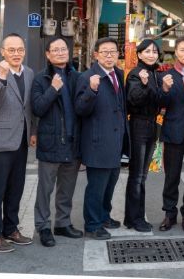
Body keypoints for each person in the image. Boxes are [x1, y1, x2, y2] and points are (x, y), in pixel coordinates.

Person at [0, 34, 35, 253]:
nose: (16, 54)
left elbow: (28, 107)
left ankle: (11, 229)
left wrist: (32, 132)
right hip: (0, 141)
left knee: (16, 188)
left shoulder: (29, 73)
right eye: (11, 50)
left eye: (20, 49)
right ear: (2, 52)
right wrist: (2, 78)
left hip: (21, 140)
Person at [31, 37, 83, 247]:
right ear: (48, 54)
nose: (61, 52)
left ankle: (63, 223)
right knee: (45, 189)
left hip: (72, 141)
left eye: (63, 49)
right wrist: (53, 89)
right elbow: (37, 108)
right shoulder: (40, 79)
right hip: (50, 142)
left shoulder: (78, 77)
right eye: (56, 50)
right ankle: (43, 226)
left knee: (67, 188)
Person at [74, 37, 127, 240]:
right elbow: (80, 109)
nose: (109, 55)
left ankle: (104, 216)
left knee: (110, 183)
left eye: (113, 51)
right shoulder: (87, 77)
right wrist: (92, 90)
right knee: (96, 187)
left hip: (116, 140)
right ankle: (92, 224)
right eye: (104, 52)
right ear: (96, 54)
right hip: (97, 141)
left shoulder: (118, 74)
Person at [125, 38, 167, 233]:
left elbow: (159, 100)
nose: (151, 55)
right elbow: (133, 100)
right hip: (139, 125)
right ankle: (135, 218)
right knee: (137, 176)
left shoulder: (155, 73)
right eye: (147, 51)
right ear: (139, 54)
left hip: (152, 125)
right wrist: (143, 84)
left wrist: (164, 89)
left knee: (142, 175)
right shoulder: (136, 73)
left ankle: (133, 217)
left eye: (154, 51)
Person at [158, 36, 184, 232]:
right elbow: (160, 104)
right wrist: (164, 89)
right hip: (173, 132)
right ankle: (169, 214)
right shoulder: (167, 75)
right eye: (182, 50)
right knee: (171, 177)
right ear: (176, 53)